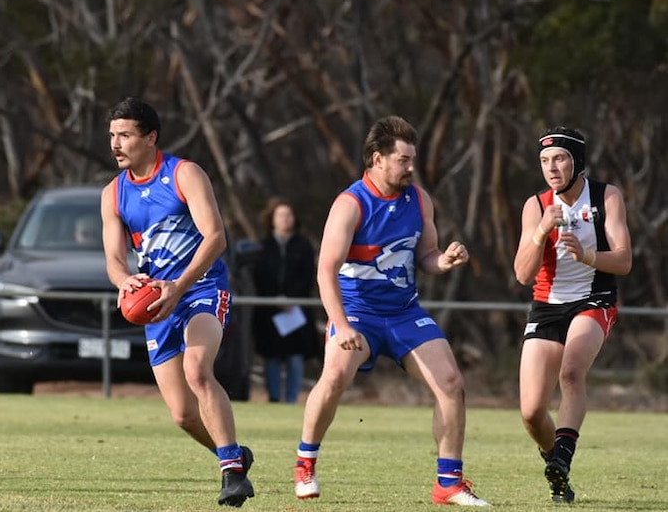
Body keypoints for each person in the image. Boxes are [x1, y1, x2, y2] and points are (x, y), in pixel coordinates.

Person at [293, 116, 490, 507]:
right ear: (377, 159)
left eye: (412, 159)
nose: (411, 168)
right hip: (357, 312)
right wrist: (342, 324)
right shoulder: (350, 204)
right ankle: (305, 466)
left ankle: (447, 484)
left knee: (451, 383)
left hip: (403, 312)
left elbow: (426, 258)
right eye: (403, 160)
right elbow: (325, 271)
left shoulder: (418, 199)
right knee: (333, 378)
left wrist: (445, 261)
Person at [100, 97, 254, 507]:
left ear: (151, 137)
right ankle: (233, 454)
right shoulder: (113, 194)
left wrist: (180, 286)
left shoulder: (184, 174)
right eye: (113, 135)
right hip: (157, 302)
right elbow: (115, 261)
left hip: (201, 287)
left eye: (126, 135)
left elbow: (216, 237)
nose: (116, 144)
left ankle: (232, 475)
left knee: (198, 370)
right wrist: (125, 281)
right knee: (183, 415)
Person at [513, 127, 631, 504]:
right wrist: (541, 232)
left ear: (577, 161)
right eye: (545, 161)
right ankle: (555, 460)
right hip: (548, 305)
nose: (552, 167)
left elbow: (624, 261)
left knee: (571, 370)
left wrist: (586, 255)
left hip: (594, 299)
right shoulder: (536, 205)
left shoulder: (606, 197)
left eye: (560, 158)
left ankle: (563, 456)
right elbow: (522, 273)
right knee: (531, 412)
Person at [251, 198, 320, 404]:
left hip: (296, 310)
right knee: (271, 355)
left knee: (295, 355)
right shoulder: (263, 247)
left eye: (289, 215)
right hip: (269, 310)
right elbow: (259, 276)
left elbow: (308, 276)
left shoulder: (303, 246)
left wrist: (291, 298)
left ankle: (291, 399)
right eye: (280, 215)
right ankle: (273, 397)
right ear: (272, 219)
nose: (285, 219)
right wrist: (274, 298)